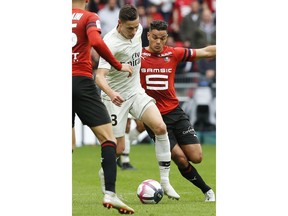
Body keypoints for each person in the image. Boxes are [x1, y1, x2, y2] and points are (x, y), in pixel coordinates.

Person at [96, 4, 180, 200]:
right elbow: (99, 77)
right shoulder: (110, 43)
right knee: (116, 148)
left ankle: (166, 182)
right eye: (130, 28)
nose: (134, 32)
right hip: (114, 97)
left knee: (160, 127)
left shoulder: (139, 28)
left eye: (136, 27)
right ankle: (104, 177)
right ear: (119, 24)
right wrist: (111, 92)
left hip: (135, 91)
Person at [139, 20, 216, 202]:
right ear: (148, 35)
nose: (158, 42)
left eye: (162, 38)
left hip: (175, 113)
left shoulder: (173, 53)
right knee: (180, 159)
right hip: (153, 116)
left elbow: (205, 52)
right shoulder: (137, 55)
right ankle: (207, 191)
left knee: (196, 157)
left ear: (167, 38)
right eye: (155, 37)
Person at [72, 0, 135, 214]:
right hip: (80, 81)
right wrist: (118, 65)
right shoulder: (90, 18)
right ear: (87, 0)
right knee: (109, 140)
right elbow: (96, 42)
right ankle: (110, 193)